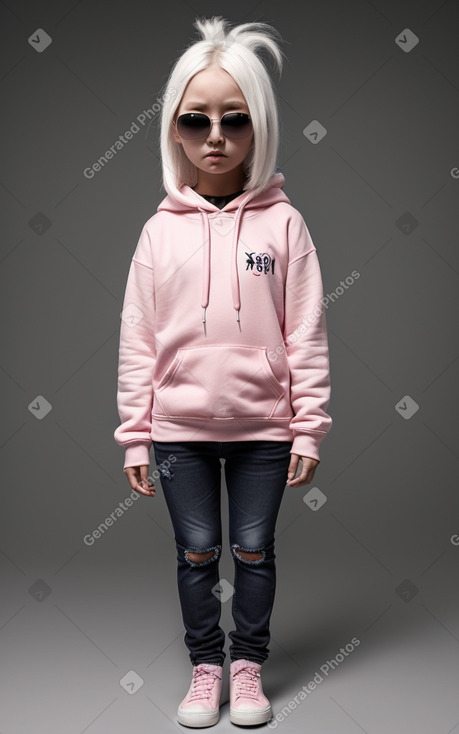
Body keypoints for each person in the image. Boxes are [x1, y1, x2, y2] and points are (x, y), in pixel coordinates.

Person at [114, 15, 332, 728]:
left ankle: (248, 666)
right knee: (198, 553)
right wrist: (135, 436)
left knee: (253, 550)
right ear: (172, 129)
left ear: (258, 127)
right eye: (195, 120)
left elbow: (305, 330)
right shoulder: (158, 232)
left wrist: (307, 429)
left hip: (264, 430)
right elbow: (138, 339)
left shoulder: (285, 225)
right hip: (177, 430)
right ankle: (205, 666)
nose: (215, 136)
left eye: (233, 120)